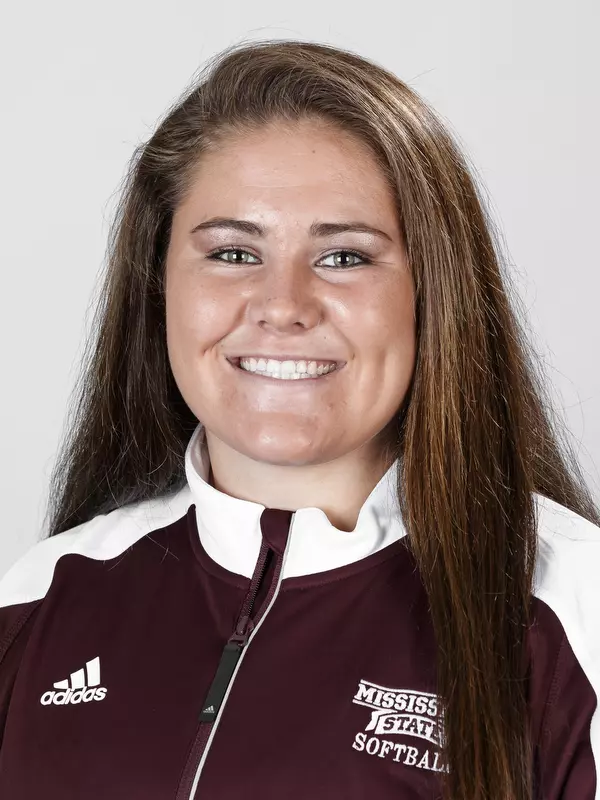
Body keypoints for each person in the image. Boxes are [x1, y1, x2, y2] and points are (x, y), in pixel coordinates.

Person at [0, 39, 598, 800]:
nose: (283, 306)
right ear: (158, 286)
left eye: (344, 257)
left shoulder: (574, 610)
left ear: (434, 292)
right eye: (232, 252)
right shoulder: (42, 594)